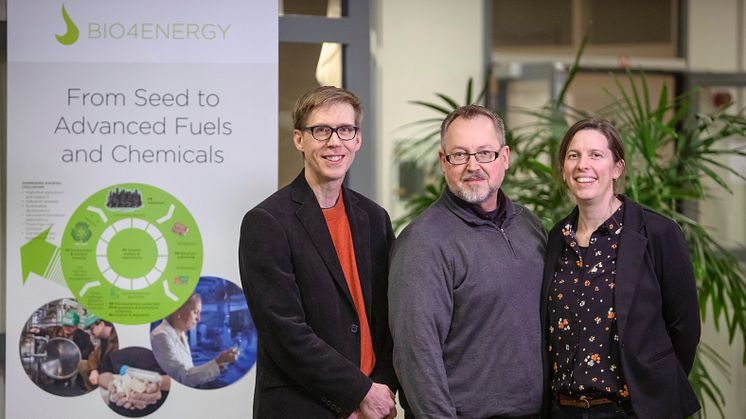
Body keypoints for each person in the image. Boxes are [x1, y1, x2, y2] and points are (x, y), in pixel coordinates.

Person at [239, 86, 397, 419]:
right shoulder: (267, 222)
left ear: (357, 139)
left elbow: (390, 315)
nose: (334, 142)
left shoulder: (375, 218)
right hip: (303, 407)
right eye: (321, 130)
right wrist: (358, 393)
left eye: (346, 130)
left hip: (372, 409)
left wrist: (380, 388)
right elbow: (284, 332)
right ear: (300, 139)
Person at [389, 105, 546, 418]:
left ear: (505, 157)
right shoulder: (424, 242)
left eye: (485, 153)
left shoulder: (530, 226)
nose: (473, 166)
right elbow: (416, 354)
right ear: (443, 162)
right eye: (459, 155)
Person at [541, 118, 700, 418]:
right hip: (564, 410)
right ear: (563, 169)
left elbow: (685, 328)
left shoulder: (657, 233)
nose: (582, 165)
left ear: (617, 168)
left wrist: (654, 392)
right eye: (573, 155)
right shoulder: (556, 239)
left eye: (596, 155)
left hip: (630, 411)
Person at [150, 293, 238, 387]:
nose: (199, 319)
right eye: (196, 312)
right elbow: (183, 378)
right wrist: (217, 361)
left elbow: (188, 370)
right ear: (178, 310)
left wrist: (219, 364)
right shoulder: (160, 337)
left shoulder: (181, 334)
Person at [84, 313, 119, 386]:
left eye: (92, 329)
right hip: (102, 373)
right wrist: (93, 370)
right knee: (82, 364)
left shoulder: (117, 341)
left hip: (114, 378)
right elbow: (92, 356)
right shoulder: (104, 341)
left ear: (101, 324)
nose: (91, 333)